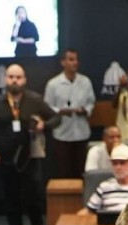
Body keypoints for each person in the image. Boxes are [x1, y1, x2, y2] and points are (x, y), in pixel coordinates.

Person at [0, 63, 59, 225]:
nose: (14, 80)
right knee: (11, 204)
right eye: (10, 77)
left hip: (29, 160)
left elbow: (56, 118)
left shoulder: (35, 100)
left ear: (24, 80)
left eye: (18, 77)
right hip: (6, 162)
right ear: (5, 80)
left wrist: (44, 125)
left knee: (33, 201)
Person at [44, 49, 96, 179]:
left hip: (82, 133)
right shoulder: (53, 84)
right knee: (64, 172)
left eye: (76, 60)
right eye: (71, 59)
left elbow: (91, 102)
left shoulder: (85, 82)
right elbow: (46, 107)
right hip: (62, 134)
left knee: (82, 171)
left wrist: (84, 110)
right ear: (63, 62)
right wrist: (60, 111)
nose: (75, 63)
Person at [79, 144, 128, 214]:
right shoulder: (104, 187)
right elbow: (89, 210)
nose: (118, 167)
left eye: (122, 163)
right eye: (115, 163)